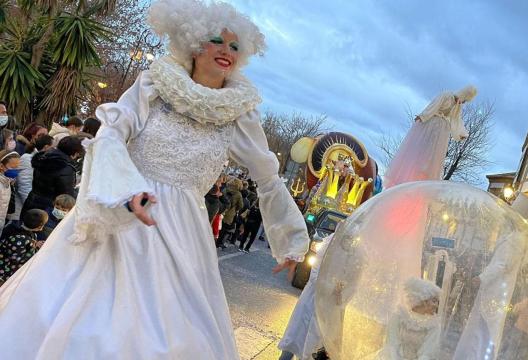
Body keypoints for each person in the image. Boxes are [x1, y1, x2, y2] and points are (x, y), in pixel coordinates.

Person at [0, 1, 309, 358]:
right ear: (194, 44)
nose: (226, 51)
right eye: (217, 41)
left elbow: (267, 175)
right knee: (88, 320)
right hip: (126, 214)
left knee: (170, 333)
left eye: (235, 46)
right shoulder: (154, 84)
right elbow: (112, 133)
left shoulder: (240, 114)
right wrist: (124, 190)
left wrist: (290, 237)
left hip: (183, 230)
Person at [384, 86, 476, 188]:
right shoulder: (446, 95)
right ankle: (412, 173)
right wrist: (423, 115)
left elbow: (456, 120)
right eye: (465, 99)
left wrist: (460, 134)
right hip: (433, 124)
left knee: (434, 157)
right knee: (422, 151)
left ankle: (425, 178)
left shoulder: (457, 106)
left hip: (442, 131)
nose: (464, 102)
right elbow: (434, 105)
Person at [279, 235, 335, 360]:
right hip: (311, 299)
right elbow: (315, 276)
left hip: (326, 309)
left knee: (312, 347)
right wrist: (333, 288)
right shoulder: (329, 244)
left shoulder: (354, 254)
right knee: (293, 339)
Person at [375, 277, 442, 360]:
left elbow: (426, 353)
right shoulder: (399, 317)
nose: (436, 306)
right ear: (424, 300)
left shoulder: (433, 326)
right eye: (434, 301)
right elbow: (392, 344)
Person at [21, 136, 82, 215]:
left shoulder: (44, 157)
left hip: (32, 200)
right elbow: (66, 194)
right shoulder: (66, 168)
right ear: (75, 153)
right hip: (49, 208)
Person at [0, 209, 48, 285]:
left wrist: (34, 243)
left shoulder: (14, 224)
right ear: (40, 227)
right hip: (5, 270)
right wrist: (35, 248)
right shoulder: (22, 239)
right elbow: (19, 259)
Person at [15, 135, 54, 218]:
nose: (55, 150)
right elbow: (24, 185)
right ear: (46, 147)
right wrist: (31, 207)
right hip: (24, 207)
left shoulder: (44, 160)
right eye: (53, 148)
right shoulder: (28, 158)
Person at [0, 150, 20, 230]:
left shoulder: (6, 180)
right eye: (13, 168)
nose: (16, 171)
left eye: (17, 167)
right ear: (1, 166)